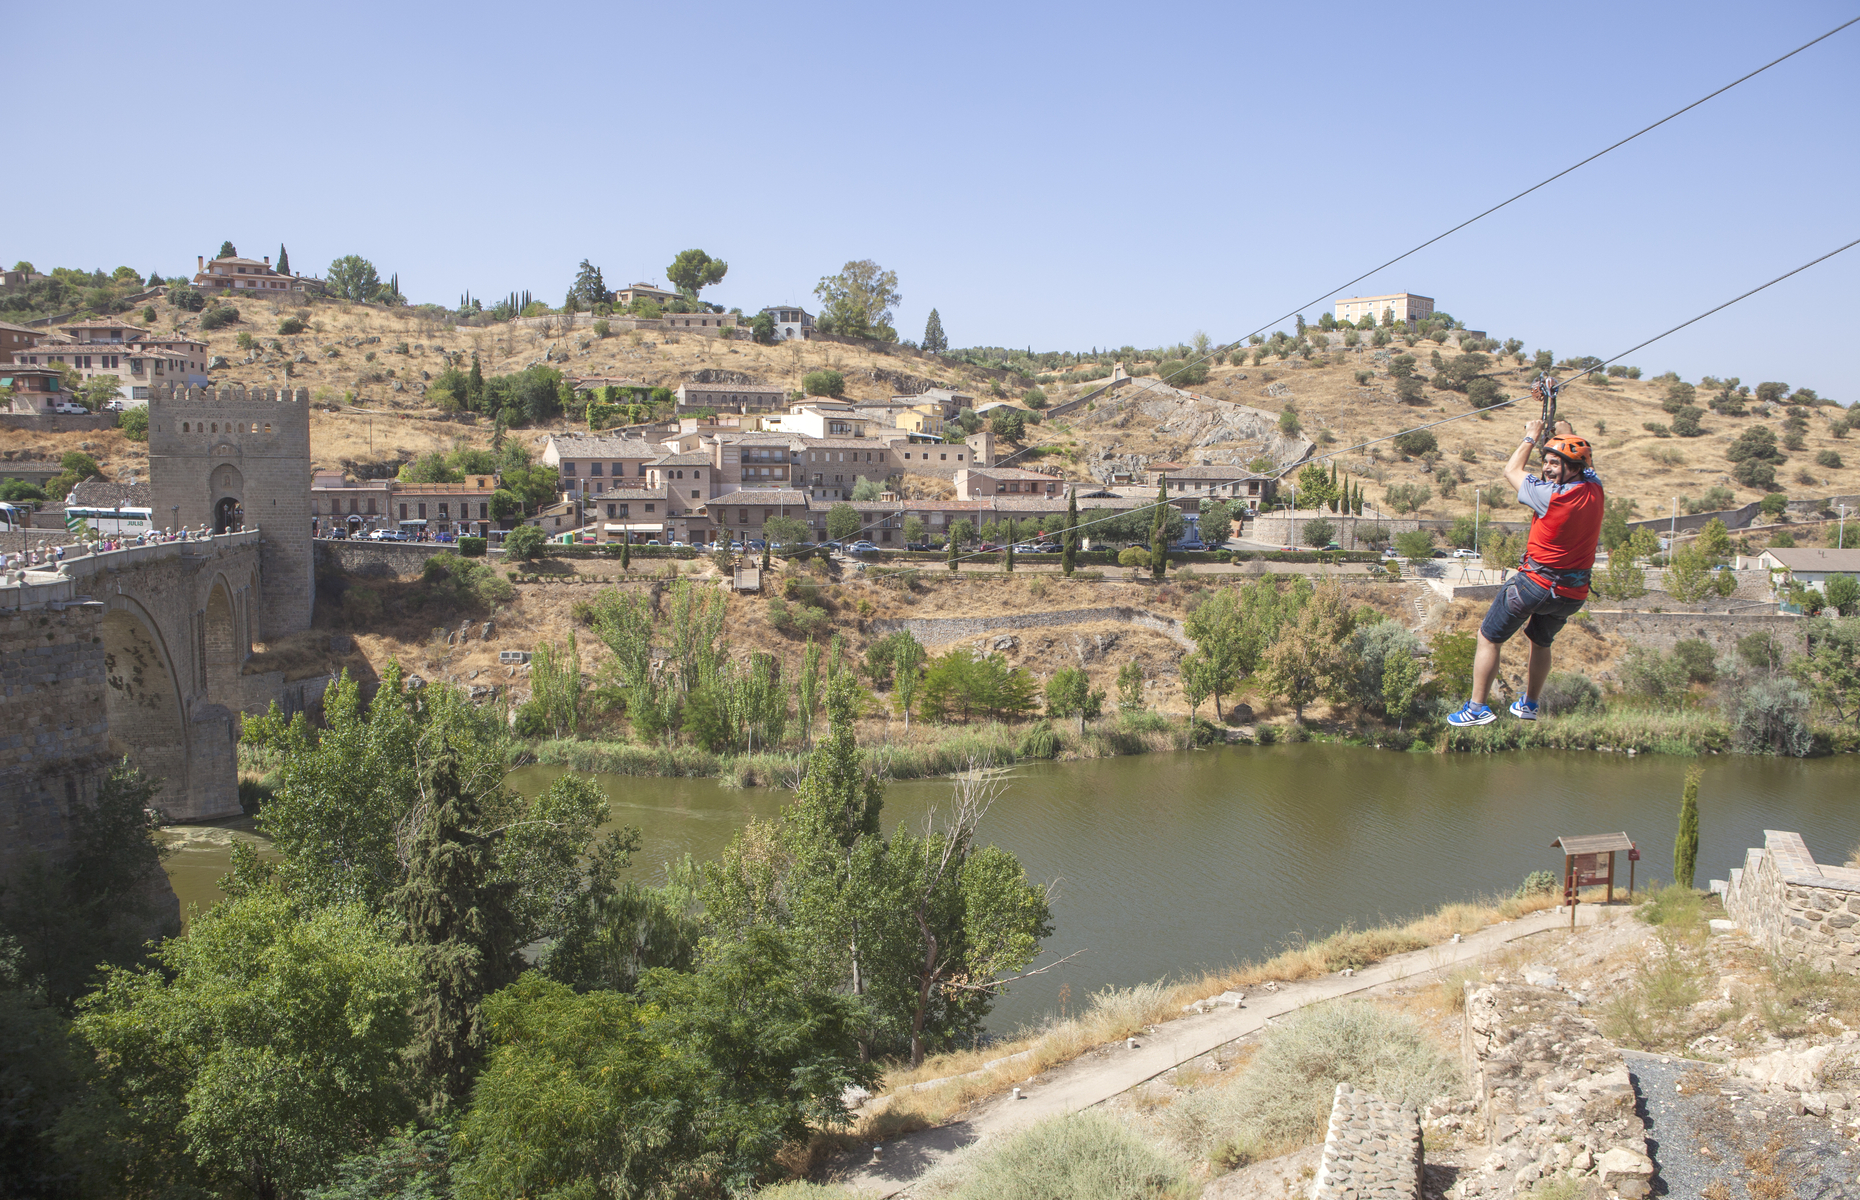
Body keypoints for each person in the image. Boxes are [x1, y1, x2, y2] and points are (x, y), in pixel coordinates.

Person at [1448, 417, 1602, 726]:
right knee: (1541, 641)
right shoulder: (1594, 488)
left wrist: (1531, 437)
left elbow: (1511, 471)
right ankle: (1530, 704)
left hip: (1534, 585)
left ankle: (1477, 708)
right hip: (1572, 593)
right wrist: (1561, 425)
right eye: (1546, 462)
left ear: (1572, 468)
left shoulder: (1549, 497)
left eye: (1554, 464)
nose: (1546, 468)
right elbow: (1575, 449)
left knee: (1489, 638)